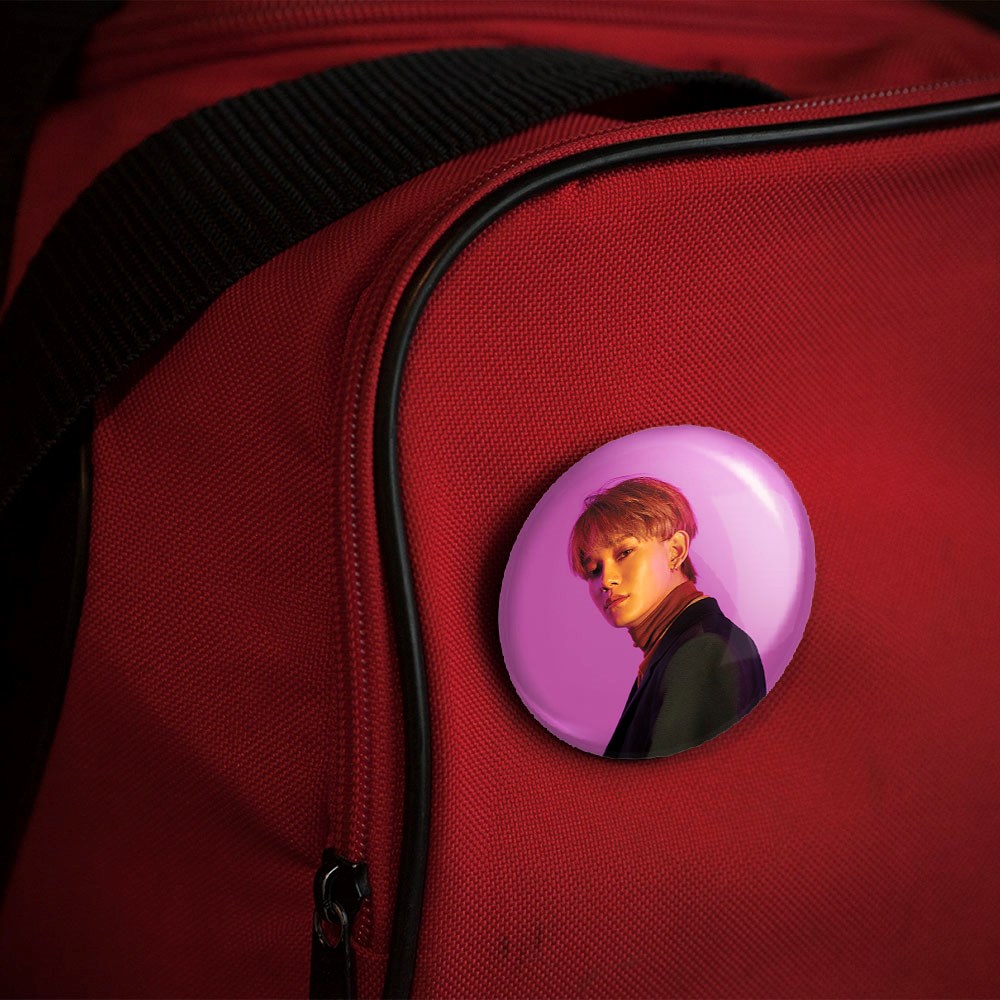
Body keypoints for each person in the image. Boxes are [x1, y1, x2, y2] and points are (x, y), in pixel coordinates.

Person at [569, 477, 765, 759]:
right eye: (593, 570)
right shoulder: (672, 651)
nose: (606, 580)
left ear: (675, 551)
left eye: (624, 552)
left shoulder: (702, 652)